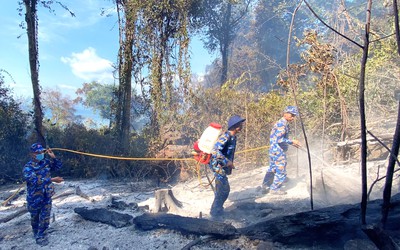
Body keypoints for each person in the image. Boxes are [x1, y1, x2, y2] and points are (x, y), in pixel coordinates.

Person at [23, 143, 63, 246]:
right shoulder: (28, 167)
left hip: (47, 195)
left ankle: (41, 236)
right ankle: (36, 233)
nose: (41, 153)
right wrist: (53, 179)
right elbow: (34, 180)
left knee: (45, 217)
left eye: (42, 151)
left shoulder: (45, 162)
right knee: (35, 218)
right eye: (38, 152)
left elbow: (58, 167)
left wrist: (53, 157)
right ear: (32, 154)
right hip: (34, 197)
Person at [209, 115, 245, 218]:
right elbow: (215, 151)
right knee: (224, 189)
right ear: (235, 126)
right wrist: (226, 161)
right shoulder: (226, 136)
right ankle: (215, 212)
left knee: (221, 189)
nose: (242, 126)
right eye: (240, 124)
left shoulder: (233, 137)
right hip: (218, 166)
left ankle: (217, 210)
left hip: (222, 167)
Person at [262, 106, 301, 195]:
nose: (293, 117)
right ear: (285, 114)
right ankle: (275, 188)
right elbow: (279, 139)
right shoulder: (282, 124)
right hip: (278, 150)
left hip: (273, 150)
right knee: (281, 169)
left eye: (294, 116)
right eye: (292, 115)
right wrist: (292, 141)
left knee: (272, 168)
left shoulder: (283, 123)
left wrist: (292, 143)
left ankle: (265, 185)